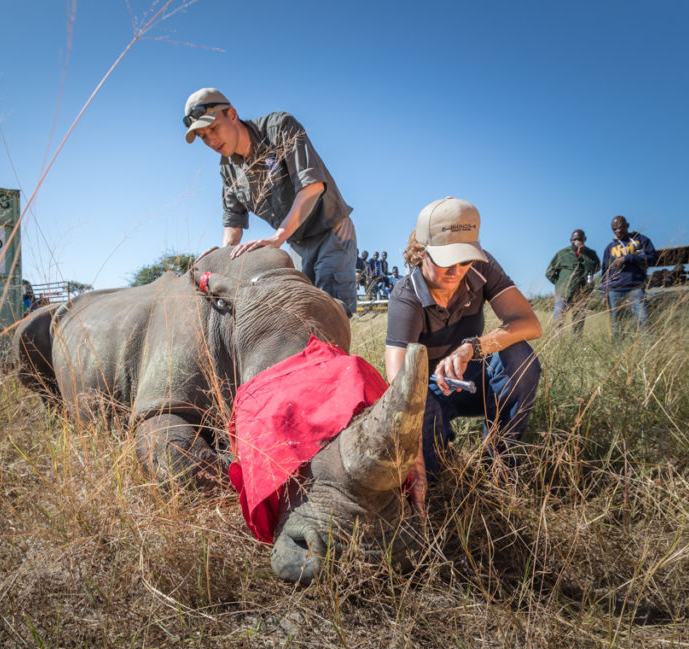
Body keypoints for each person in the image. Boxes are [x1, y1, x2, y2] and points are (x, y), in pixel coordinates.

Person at [384, 197, 542, 480]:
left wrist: (473, 347)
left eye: (465, 259)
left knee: (520, 358)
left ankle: (498, 468)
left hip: (470, 378)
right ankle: (439, 463)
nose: (457, 271)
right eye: (446, 261)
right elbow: (400, 385)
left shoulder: (481, 267)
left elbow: (529, 324)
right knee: (433, 473)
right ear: (421, 251)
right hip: (429, 391)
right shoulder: (405, 296)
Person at [183, 87, 359, 314]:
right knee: (301, 316)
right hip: (296, 243)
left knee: (332, 311)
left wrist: (277, 238)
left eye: (214, 128)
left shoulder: (279, 128)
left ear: (232, 114)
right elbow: (233, 225)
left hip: (332, 232)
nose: (211, 140)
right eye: (202, 136)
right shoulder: (227, 169)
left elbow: (312, 187)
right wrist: (221, 259)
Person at [601, 215, 656, 337]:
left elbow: (653, 258)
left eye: (620, 227)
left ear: (627, 225)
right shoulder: (609, 248)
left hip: (635, 288)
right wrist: (604, 292)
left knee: (644, 320)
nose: (618, 231)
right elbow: (605, 272)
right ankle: (617, 352)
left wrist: (628, 258)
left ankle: (647, 350)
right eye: (614, 229)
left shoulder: (640, 240)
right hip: (615, 290)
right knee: (617, 325)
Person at [545, 229, 600, 336]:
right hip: (564, 292)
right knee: (559, 320)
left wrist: (583, 254)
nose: (577, 241)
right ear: (571, 240)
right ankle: (555, 344)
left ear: (585, 239)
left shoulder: (591, 254)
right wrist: (560, 284)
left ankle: (576, 344)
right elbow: (549, 272)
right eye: (575, 239)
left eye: (580, 239)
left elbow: (595, 268)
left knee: (578, 322)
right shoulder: (562, 254)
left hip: (582, 293)